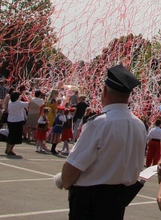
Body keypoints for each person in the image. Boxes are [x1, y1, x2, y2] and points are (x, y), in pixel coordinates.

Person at [58, 65, 146, 220]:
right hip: (118, 199)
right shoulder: (139, 124)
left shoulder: (99, 123)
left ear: (104, 91)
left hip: (89, 201)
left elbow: (73, 168)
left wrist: (64, 182)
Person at [4, 91, 28, 156]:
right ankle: (10, 150)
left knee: (10, 135)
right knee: (15, 137)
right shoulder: (19, 104)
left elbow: (17, 100)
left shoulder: (10, 102)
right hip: (17, 121)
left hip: (10, 120)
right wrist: (27, 97)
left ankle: (7, 149)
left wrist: (21, 96)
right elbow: (29, 103)